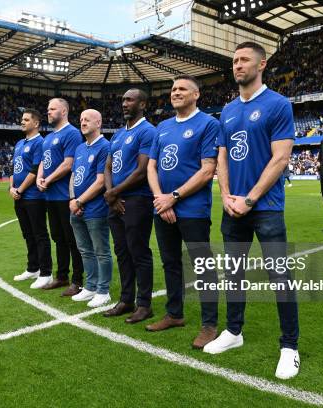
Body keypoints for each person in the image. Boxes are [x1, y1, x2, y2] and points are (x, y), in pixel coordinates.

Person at [204, 42, 300, 380]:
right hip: (233, 206)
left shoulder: (277, 104)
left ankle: (289, 346)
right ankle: (233, 332)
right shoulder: (228, 110)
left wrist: (250, 198)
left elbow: (281, 159)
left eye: (244, 60)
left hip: (267, 207)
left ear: (261, 65)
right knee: (233, 273)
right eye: (234, 61)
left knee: (279, 276)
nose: (237, 65)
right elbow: (223, 157)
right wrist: (228, 194)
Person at [145, 74, 220, 351]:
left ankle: (209, 324)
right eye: (173, 89)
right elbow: (151, 167)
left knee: (202, 266)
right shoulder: (162, 127)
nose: (175, 92)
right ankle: (174, 314)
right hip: (162, 206)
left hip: (192, 209)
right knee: (170, 263)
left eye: (182, 89)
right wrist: (159, 199)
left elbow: (207, 169)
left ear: (196, 94)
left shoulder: (208, 124)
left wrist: (173, 197)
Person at [103, 89, 155, 323]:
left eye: (129, 99)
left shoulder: (147, 131)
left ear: (142, 104)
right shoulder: (117, 136)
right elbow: (108, 166)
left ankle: (144, 304)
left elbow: (142, 171)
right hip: (115, 201)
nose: (124, 103)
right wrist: (110, 194)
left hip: (137, 200)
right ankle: (126, 300)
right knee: (122, 252)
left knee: (139, 252)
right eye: (123, 99)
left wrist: (114, 192)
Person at [37, 98, 85, 295]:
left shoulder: (72, 133)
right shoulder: (48, 137)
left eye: (52, 109)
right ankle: (62, 275)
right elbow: (43, 161)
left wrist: (48, 180)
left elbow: (68, 164)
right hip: (51, 197)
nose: (48, 112)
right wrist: (40, 176)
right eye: (47, 108)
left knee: (72, 239)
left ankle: (78, 280)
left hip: (66, 196)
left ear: (64, 111)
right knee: (58, 237)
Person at [68, 109, 113, 308]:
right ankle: (90, 286)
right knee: (85, 250)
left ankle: (103, 291)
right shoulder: (79, 148)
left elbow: (101, 181)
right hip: (76, 207)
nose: (83, 122)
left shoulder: (105, 147)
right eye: (81, 120)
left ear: (99, 122)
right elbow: (73, 176)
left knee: (101, 251)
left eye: (87, 119)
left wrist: (79, 202)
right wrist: (72, 198)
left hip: (95, 209)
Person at [11, 109, 53, 287]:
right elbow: (14, 168)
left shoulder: (40, 143)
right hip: (18, 196)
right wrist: (11, 187)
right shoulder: (19, 143)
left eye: (26, 119)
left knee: (39, 234)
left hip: (33, 196)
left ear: (36, 123)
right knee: (27, 234)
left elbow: (35, 170)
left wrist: (19, 189)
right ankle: (32, 268)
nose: (22, 122)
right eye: (22, 119)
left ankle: (46, 272)